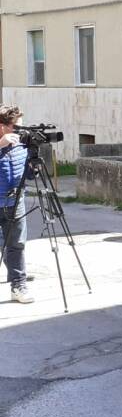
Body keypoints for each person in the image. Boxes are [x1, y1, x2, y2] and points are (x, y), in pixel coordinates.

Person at [0, 106, 31, 304]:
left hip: (15, 201)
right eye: (16, 127)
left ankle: (18, 285)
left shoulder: (21, 144)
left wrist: (34, 168)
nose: (20, 131)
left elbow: (27, 174)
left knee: (16, 245)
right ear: (3, 127)